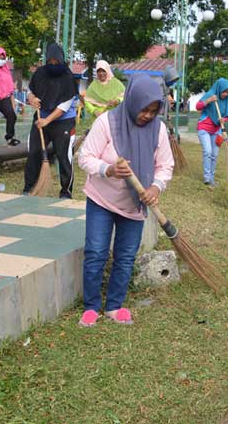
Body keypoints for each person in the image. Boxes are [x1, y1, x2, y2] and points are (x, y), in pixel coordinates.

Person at [77, 75, 173, 326]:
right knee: (96, 252)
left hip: (134, 204)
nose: (148, 116)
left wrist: (156, 186)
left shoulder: (158, 130)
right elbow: (84, 157)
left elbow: (165, 166)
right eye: (144, 109)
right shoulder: (107, 122)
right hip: (101, 198)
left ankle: (114, 306)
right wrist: (107, 169)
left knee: (126, 255)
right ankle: (91, 307)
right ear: (132, 101)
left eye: (154, 111)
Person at [23, 43, 78, 198]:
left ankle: (66, 192)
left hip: (63, 121)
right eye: (50, 63)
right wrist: (31, 98)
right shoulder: (40, 73)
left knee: (63, 155)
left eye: (56, 63)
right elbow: (30, 89)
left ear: (61, 61)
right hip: (41, 117)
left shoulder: (68, 77)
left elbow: (64, 105)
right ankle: (29, 188)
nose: (53, 65)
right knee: (34, 152)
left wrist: (47, 121)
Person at [195, 78, 228, 186]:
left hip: (217, 130)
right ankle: (207, 177)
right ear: (219, 89)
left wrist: (223, 120)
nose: (225, 94)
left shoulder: (226, 100)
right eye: (224, 91)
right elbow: (198, 106)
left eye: (227, 92)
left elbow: (227, 115)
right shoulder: (210, 94)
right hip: (204, 128)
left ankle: (211, 178)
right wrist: (208, 100)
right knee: (208, 152)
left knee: (214, 154)